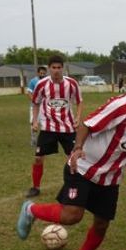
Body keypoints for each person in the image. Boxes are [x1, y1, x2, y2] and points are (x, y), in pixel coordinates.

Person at [16, 65, 126, 250]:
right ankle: (30, 210)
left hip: (111, 178)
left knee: (101, 224)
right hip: (83, 168)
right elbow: (86, 125)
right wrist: (77, 149)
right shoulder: (121, 106)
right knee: (72, 215)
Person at [26, 56, 83, 198]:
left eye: (59, 67)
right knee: (38, 158)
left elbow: (79, 102)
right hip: (48, 128)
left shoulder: (72, 83)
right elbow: (36, 103)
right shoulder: (41, 84)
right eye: (54, 67)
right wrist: (34, 121)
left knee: (73, 158)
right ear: (49, 68)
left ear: (62, 68)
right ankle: (35, 187)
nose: (56, 70)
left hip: (67, 127)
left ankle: (74, 186)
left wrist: (77, 117)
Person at [27, 66, 47, 146]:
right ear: (38, 73)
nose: (42, 74)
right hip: (34, 106)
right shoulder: (33, 81)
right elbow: (29, 93)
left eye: (44, 73)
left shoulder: (47, 81)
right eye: (41, 73)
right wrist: (35, 101)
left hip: (45, 107)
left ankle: (43, 140)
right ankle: (33, 139)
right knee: (33, 122)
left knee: (45, 123)